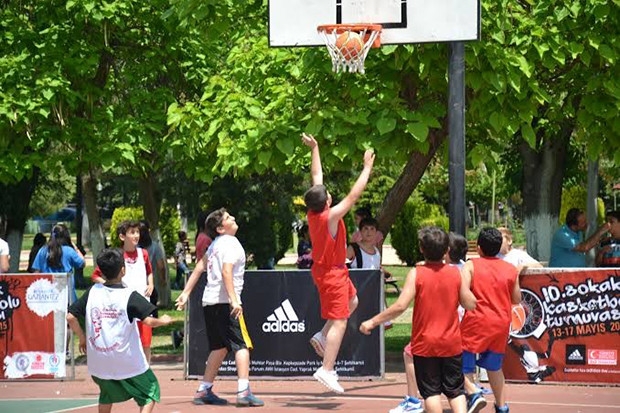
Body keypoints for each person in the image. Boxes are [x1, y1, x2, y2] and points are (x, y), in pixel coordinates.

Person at [360, 226, 477, 413]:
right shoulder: (455, 274)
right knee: (455, 391)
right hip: (451, 342)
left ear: (421, 249)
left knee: (431, 393)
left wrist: (373, 321)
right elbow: (470, 303)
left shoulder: (417, 273)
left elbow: (400, 306)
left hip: (425, 343)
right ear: (447, 250)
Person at [302, 132, 375, 394]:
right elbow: (354, 196)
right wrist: (366, 169)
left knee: (352, 302)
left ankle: (322, 335)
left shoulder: (314, 211)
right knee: (340, 320)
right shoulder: (330, 217)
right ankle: (326, 368)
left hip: (333, 271)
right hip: (331, 274)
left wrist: (315, 148)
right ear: (328, 201)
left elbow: (316, 177)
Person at [175, 208, 264, 407]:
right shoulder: (231, 243)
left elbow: (199, 267)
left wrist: (186, 293)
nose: (233, 217)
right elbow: (226, 272)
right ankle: (243, 392)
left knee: (219, 347)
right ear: (221, 228)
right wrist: (234, 300)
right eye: (228, 218)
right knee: (242, 345)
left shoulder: (215, 245)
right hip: (225, 302)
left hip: (210, 301)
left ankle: (203, 390)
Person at [67, 248, 172, 413]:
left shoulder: (92, 292)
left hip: (98, 361)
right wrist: (164, 321)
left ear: (101, 272)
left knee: (107, 393)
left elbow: (70, 317)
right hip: (126, 359)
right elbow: (149, 321)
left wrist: (82, 338)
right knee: (150, 390)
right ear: (123, 270)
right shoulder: (129, 295)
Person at [460, 227, 522, 413]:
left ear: (479, 248)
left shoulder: (471, 265)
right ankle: (502, 406)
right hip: (501, 322)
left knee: (460, 361)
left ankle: (473, 394)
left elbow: (462, 292)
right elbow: (517, 299)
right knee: (494, 367)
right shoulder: (510, 269)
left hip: (476, 320)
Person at [92, 220, 155, 363]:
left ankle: (146, 369)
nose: (136, 235)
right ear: (122, 237)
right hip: (123, 307)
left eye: (137, 232)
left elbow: (149, 272)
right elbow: (95, 276)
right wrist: (110, 285)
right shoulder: (116, 256)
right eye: (132, 232)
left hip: (143, 304)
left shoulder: (143, 253)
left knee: (146, 343)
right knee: (124, 342)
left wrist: (151, 284)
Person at [32, 223, 85, 303]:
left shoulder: (42, 250)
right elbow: (82, 263)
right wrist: (75, 247)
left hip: (47, 296)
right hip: (67, 295)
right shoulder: (69, 251)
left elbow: (36, 273)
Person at [138, 220, 168, 312]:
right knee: (152, 309)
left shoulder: (133, 248)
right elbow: (161, 266)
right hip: (150, 284)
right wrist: (163, 279)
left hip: (135, 284)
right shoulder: (155, 246)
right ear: (149, 230)